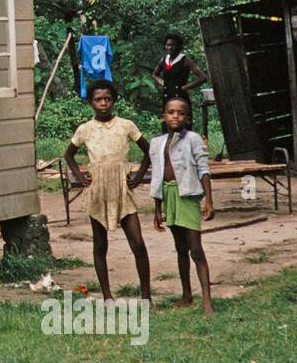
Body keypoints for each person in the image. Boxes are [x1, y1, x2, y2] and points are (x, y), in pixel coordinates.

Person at [63, 79, 152, 301]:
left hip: (122, 188)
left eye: (107, 99)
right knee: (100, 244)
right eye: (98, 100)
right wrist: (81, 175)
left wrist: (138, 176)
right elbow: (68, 155)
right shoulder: (85, 129)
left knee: (138, 243)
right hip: (98, 190)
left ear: (114, 101)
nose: (103, 103)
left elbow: (149, 150)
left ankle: (146, 296)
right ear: (91, 102)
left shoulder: (126, 125)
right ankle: (107, 296)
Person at [134, 96, 216, 314]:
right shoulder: (157, 143)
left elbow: (203, 169)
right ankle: (186, 295)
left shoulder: (193, 139)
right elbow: (157, 177)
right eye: (171, 112)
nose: (176, 116)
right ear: (164, 116)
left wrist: (209, 200)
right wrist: (157, 211)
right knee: (181, 248)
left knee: (195, 249)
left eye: (181, 113)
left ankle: (207, 299)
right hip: (168, 195)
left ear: (187, 118)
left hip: (188, 196)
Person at [151, 34, 207, 111]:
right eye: (168, 45)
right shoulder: (164, 60)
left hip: (181, 97)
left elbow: (203, 77)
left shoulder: (185, 60)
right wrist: (161, 81)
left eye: (173, 45)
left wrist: (185, 87)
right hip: (167, 96)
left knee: (181, 119)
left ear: (179, 46)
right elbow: (154, 74)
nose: (170, 48)